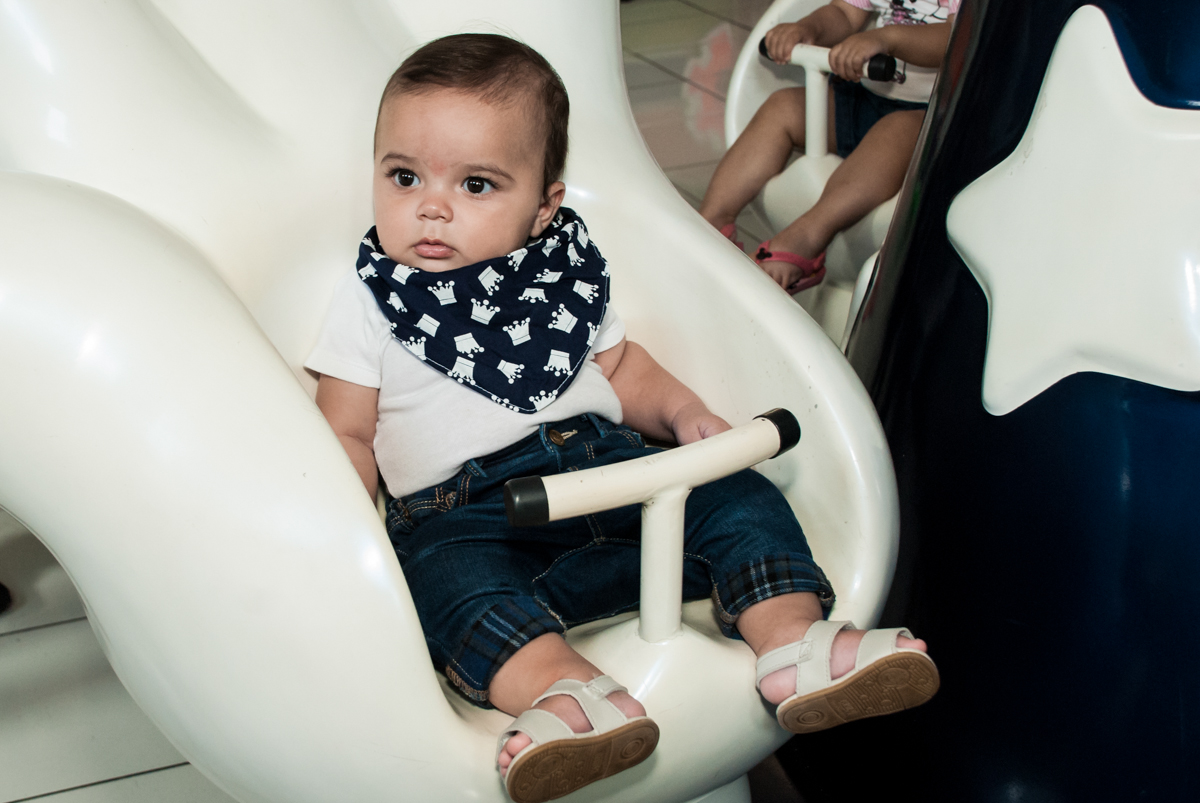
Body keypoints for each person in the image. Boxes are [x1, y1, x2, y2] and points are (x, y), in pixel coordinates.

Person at [307, 33, 937, 803]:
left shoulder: (560, 278)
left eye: (476, 185)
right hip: (474, 514)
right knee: (444, 578)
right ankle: (570, 696)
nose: (432, 207)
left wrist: (686, 414)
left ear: (544, 208)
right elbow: (346, 427)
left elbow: (622, 367)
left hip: (614, 473)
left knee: (738, 494)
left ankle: (793, 642)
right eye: (404, 176)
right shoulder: (374, 297)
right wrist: (344, 521)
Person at [700, 0, 957, 292]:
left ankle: (807, 237)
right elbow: (845, 12)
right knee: (783, 107)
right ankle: (710, 222)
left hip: (930, 119)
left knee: (897, 129)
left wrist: (887, 38)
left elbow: (957, 37)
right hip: (864, 97)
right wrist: (808, 28)